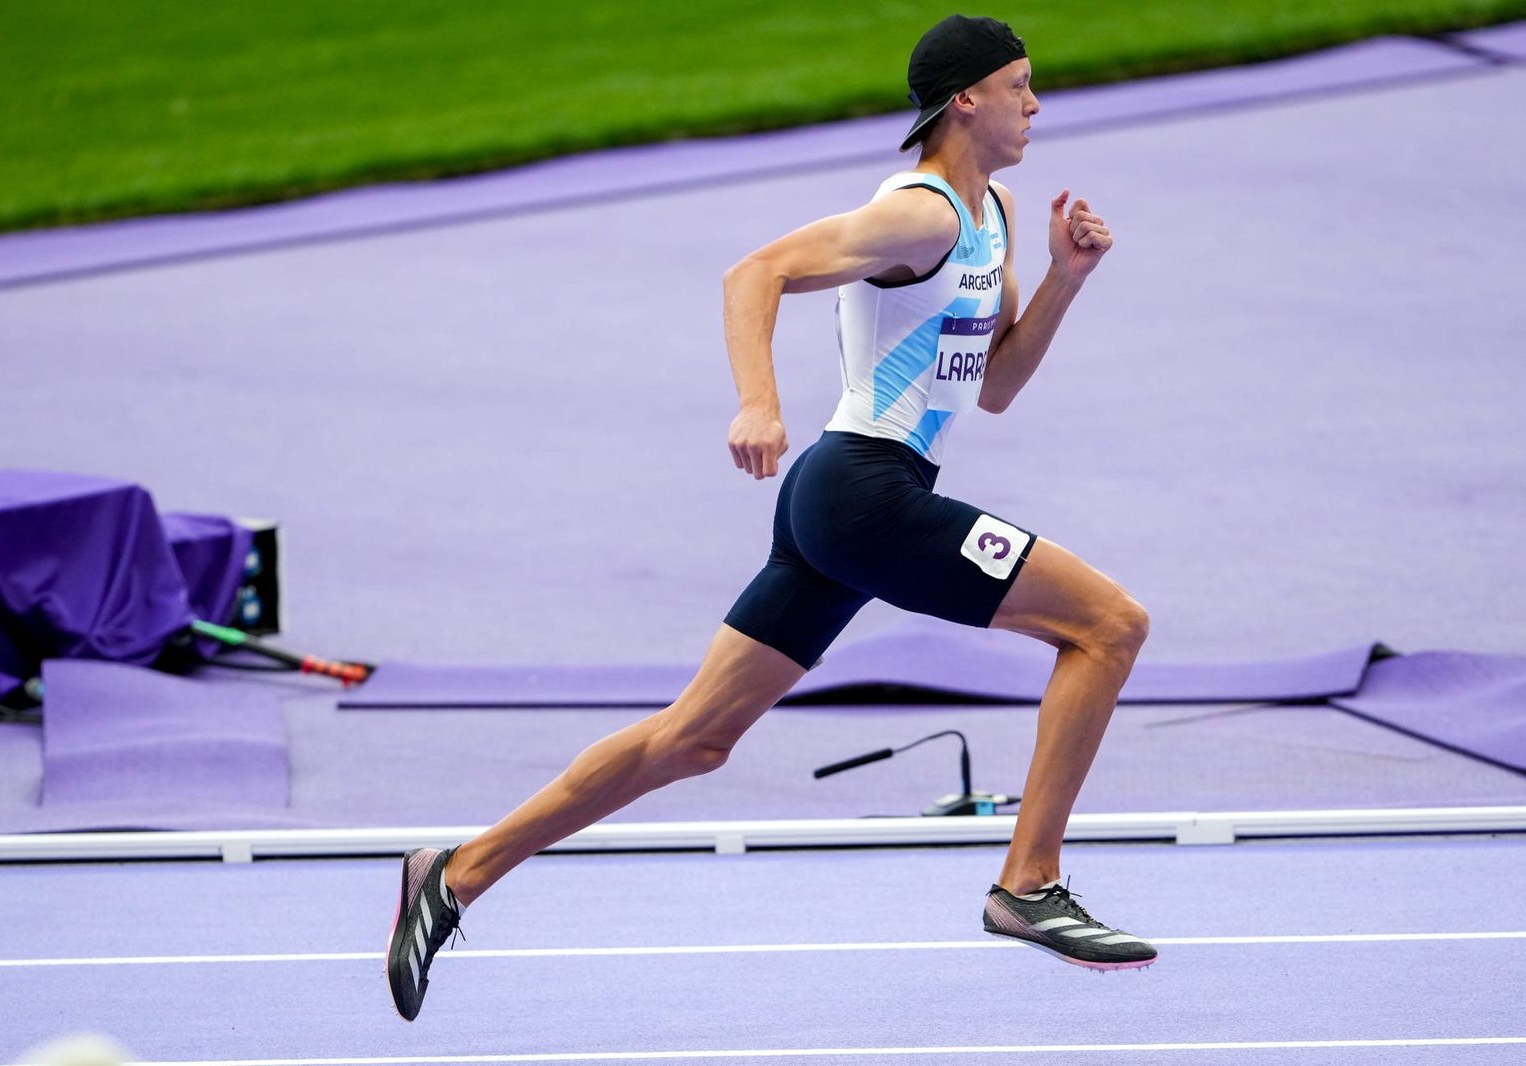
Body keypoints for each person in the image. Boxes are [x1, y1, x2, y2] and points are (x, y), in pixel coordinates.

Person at [386, 13, 1155, 1022]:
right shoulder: (918, 215)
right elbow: (755, 271)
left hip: (858, 504)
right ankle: (1028, 883)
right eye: (1020, 85)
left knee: (693, 741)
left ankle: (454, 870)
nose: (1036, 104)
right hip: (860, 489)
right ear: (964, 98)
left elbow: (997, 384)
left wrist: (1065, 277)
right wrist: (757, 401)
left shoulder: (996, 213)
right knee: (1109, 625)